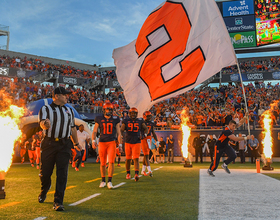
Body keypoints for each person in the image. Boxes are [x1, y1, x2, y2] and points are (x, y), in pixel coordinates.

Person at [38, 86, 81, 211]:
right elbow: (42, 123)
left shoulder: (69, 110)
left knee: (62, 173)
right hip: (49, 144)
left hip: (64, 144)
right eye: (64, 95)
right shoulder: (46, 108)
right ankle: (45, 188)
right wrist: (45, 124)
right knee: (45, 172)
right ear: (56, 96)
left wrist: (76, 143)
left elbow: (73, 128)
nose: (67, 96)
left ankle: (58, 201)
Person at [92, 102, 121, 188]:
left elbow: (119, 133)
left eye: (110, 109)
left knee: (111, 161)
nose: (108, 111)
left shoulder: (116, 119)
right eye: (107, 109)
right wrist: (93, 140)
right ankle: (103, 180)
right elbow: (94, 130)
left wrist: (120, 145)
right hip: (102, 142)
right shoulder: (99, 118)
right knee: (102, 163)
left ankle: (109, 181)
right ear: (104, 110)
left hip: (111, 142)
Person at [121, 107, 148, 181]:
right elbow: (122, 129)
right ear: (129, 114)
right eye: (132, 113)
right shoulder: (126, 120)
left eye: (134, 113)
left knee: (136, 158)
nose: (133, 115)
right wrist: (122, 135)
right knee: (128, 159)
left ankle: (136, 174)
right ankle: (128, 173)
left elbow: (146, 129)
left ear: (136, 114)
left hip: (137, 141)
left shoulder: (140, 120)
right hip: (128, 141)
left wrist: (144, 135)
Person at [141, 111, 158, 177]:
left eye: (150, 116)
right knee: (146, 154)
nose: (149, 117)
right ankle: (149, 170)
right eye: (148, 116)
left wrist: (157, 140)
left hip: (149, 138)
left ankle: (143, 170)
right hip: (144, 138)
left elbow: (153, 132)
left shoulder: (151, 123)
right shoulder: (142, 122)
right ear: (145, 116)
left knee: (146, 155)